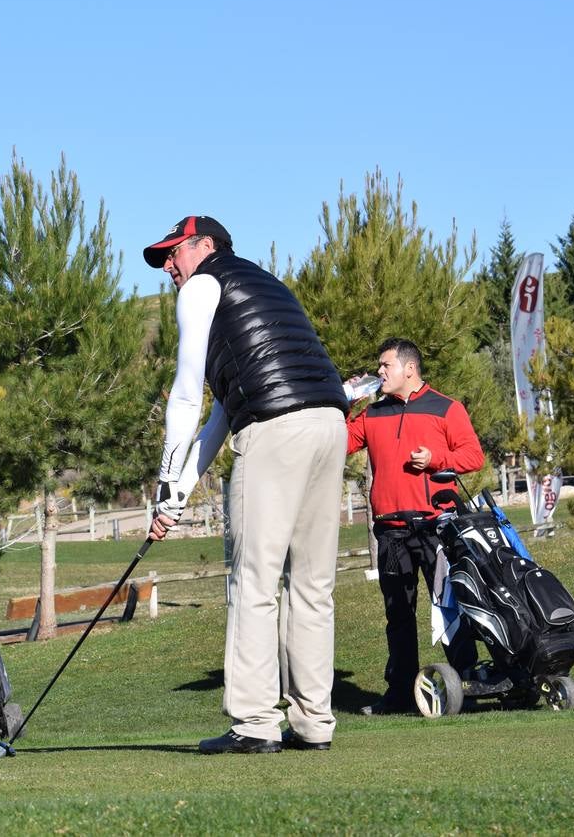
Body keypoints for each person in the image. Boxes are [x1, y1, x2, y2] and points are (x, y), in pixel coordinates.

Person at [144, 215, 349, 754]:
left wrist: (164, 480)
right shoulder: (264, 284)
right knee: (312, 585)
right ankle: (313, 724)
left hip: (277, 431)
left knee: (254, 582)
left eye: (174, 253)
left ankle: (254, 724)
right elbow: (222, 416)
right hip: (330, 426)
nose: (169, 265)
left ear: (206, 246)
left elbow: (187, 397)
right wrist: (178, 496)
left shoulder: (202, 286)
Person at [345, 338, 485, 715]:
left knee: (449, 607)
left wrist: (436, 458)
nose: (379, 372)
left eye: (385, 365)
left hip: (436, 527)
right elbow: (337, 443)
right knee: (399, 616)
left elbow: (473, 455)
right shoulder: (372, 414)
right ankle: (400, 696)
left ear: (409, 368)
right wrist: (346, 405)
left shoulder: (446, 408)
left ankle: (466, 685)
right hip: (390, 531)